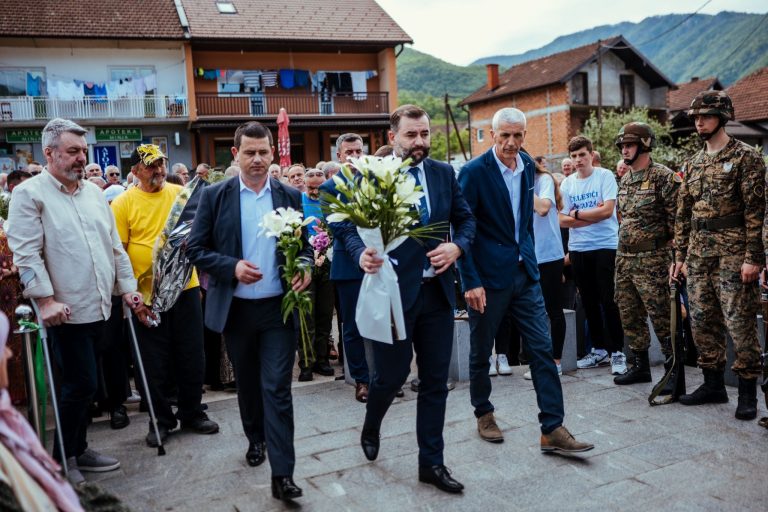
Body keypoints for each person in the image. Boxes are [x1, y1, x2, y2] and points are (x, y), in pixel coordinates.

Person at [335, 105, 475, 494]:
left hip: (438, 294)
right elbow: (345, 224)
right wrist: (357, 252)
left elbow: (465, 220)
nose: (420, 142)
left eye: (425, 134)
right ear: (392, 137)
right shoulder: (373, 175)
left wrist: (457, 248)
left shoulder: (444, 173)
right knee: (391, 376)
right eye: (412, 135)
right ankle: (372, 422)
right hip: (393, 294)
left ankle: (432, 463)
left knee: (434, 381)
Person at [5, 118, 150, 485]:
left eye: (83, 151)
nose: (80, 159)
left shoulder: (93, 193)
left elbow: (114, 247)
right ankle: (63, 459)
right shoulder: (30, 193)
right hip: (64, 311)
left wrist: (128, 288)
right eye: (72, 151)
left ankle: (78, 448)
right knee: (79, 384)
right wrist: (46, 300)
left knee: (87, 384)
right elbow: (26, 253)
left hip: (102, 304)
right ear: (49, 153)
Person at [188, 121, 311, 501]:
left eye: (263, 152)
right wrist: (232, 267)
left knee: (277, 387)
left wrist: (305, 266)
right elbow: (195, 248)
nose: (257, 160)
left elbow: (305, 243)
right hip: (237, 310)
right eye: (249, 153)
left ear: (273, 152)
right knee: (248, 385)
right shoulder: (216, 195)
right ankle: (254, 437)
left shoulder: (289, 194)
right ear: (235, 154)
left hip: (278, 310)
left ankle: (283, 474)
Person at [458, 108, 592, 455]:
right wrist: (470, 280)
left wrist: (529, 255)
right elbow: (462, 230)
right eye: (505, 135)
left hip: (525, 274)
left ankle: (552, 427)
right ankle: (484, 413)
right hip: (488, 278)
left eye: (518, 136)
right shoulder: (473, 173)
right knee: (480, 349)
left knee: (542, 349)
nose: (512, 143)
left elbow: (524, 221)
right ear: (491, 134)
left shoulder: (529, 166)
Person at [110, 144, 219, 447]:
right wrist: (131, 296)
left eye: (160, 164)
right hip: (145, 298)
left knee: (191, 353)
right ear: (135, 171)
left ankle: (193, 412)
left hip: (185, 288)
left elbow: (199, 235)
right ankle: (161, 419)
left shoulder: (179, 193)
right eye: (150, 165)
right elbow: (118, 252)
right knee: (153, 361)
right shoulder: (122, 203)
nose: (158, 170)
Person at [673, 91, 765, 420]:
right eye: (696, 117)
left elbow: (756, 213)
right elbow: (683, 214)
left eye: (707, 116)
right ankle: (712, 384)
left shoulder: (747, 157)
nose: (699, 121)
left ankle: (747, 391)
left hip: (734, 253)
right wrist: (679, 255)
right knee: (701, 322)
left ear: (723, 117)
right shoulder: (692, 163)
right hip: (698, 255)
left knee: (739, 324)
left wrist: (754, 258)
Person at [612, 123, 680, 391]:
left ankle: (673, 369)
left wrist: (677, 259)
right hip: (625, 259)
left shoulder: (664, 177)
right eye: (622, 146)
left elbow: (677, 222)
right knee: (629, 313)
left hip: (653, 259)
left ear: (644, 145)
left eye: (629, 145)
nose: (624, 150)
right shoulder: (626, 179)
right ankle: (639, 366)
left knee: (662, 316)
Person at [559, 136, 626, 374]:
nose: (578, 160)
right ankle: (599, 350)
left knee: (609, 300)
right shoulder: (567, 184)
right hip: (579, 249)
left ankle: (617, 352)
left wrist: (576, 214)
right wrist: (588, 214)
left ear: (591, 154)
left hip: (605, 245)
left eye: (582, 155)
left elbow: (607, 212)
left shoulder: (605, 176)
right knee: (588, 302)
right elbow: (561, 219)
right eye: (574, 156)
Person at [320, 133, 372, 402]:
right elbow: (339, 227)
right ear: (338, 156)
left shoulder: (377, 181)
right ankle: (361, 380)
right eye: (348, 152)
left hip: (378, 262)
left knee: (381, 321)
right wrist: (362, 252)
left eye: (358, 151)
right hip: (349, 264)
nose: (354, 156)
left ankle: (385, 375)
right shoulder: (329, 188)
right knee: (351, 326)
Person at [522, 159, 567, 379]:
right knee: (531, 312)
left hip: (549, 255)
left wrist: (520, 185)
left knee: (553, 309)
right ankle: (539, 361)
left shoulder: (544, 179)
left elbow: (542, 208)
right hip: (527, 256)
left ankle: (555, 361)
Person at [297, 167, 334, 381]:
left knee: (324, 314)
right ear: (304, 184)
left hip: (328, 263)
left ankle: (322, 360)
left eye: (319, 187)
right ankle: (306, 363)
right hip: (306, 262)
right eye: (311, 187)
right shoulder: (299, 201)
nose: (315, 191)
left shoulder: (330, 202)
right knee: (306, 315)